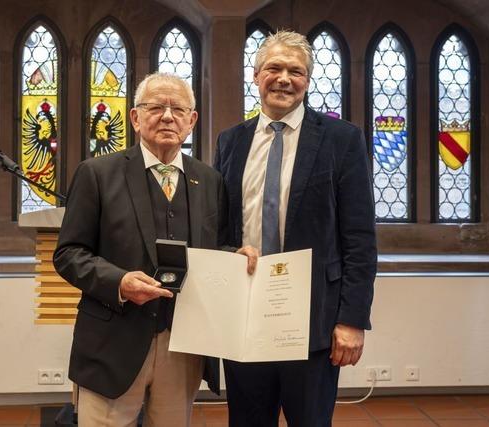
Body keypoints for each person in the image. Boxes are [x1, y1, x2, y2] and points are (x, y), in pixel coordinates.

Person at [54, 72, 255, 427]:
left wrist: (234, 258)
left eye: (178, 109)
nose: (167, 116)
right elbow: (69, 253)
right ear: (135, 117)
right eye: (156, 107)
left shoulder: (210, 180)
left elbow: (216, 245)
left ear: (191, 121)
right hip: (112, 343)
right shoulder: (97, 174)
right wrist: (119, 282)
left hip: (184, 344)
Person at [214, 30, 377, 426]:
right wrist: (226, 254)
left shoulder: (342, 140)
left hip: (314, 319)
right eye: (274, 68)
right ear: (256, 76)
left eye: (296, 71)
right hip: (246, 311)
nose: (284, 78)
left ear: (307, 80)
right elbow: (218, 227)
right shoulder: (230, 142)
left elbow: (359, 237)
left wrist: (352, 320)